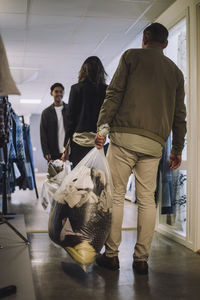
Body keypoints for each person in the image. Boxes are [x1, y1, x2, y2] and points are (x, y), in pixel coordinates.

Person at [95, 22, 186, 275]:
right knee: (147, 201)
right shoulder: (176, 73)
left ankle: (111, 255)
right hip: (154, 144)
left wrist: (102, 129)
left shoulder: (131, 57)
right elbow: (180, 116)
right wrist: (176, 149)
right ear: (165, 44)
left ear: (145, 38)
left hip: (124, 138)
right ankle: (141, 260)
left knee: (116, 196)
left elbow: (114, 94)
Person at [61, 56, 107, 167]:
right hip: (100, 141)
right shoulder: (107, 90)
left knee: (79, 178)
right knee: (99, 178)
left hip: (79, 142)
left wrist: (66, 147)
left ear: (83, 70)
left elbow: (70, 119)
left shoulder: (76, 89)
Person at [40, 83, 68, 161]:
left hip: (68, 151)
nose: (59, 94)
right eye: (56, 91)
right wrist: (45, 151)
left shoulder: (69, 110)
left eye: (61, 91)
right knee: (55, 173)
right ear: (51, 93)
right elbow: (43, 134)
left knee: (71, 173)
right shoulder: (46, 113)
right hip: (53, 152)